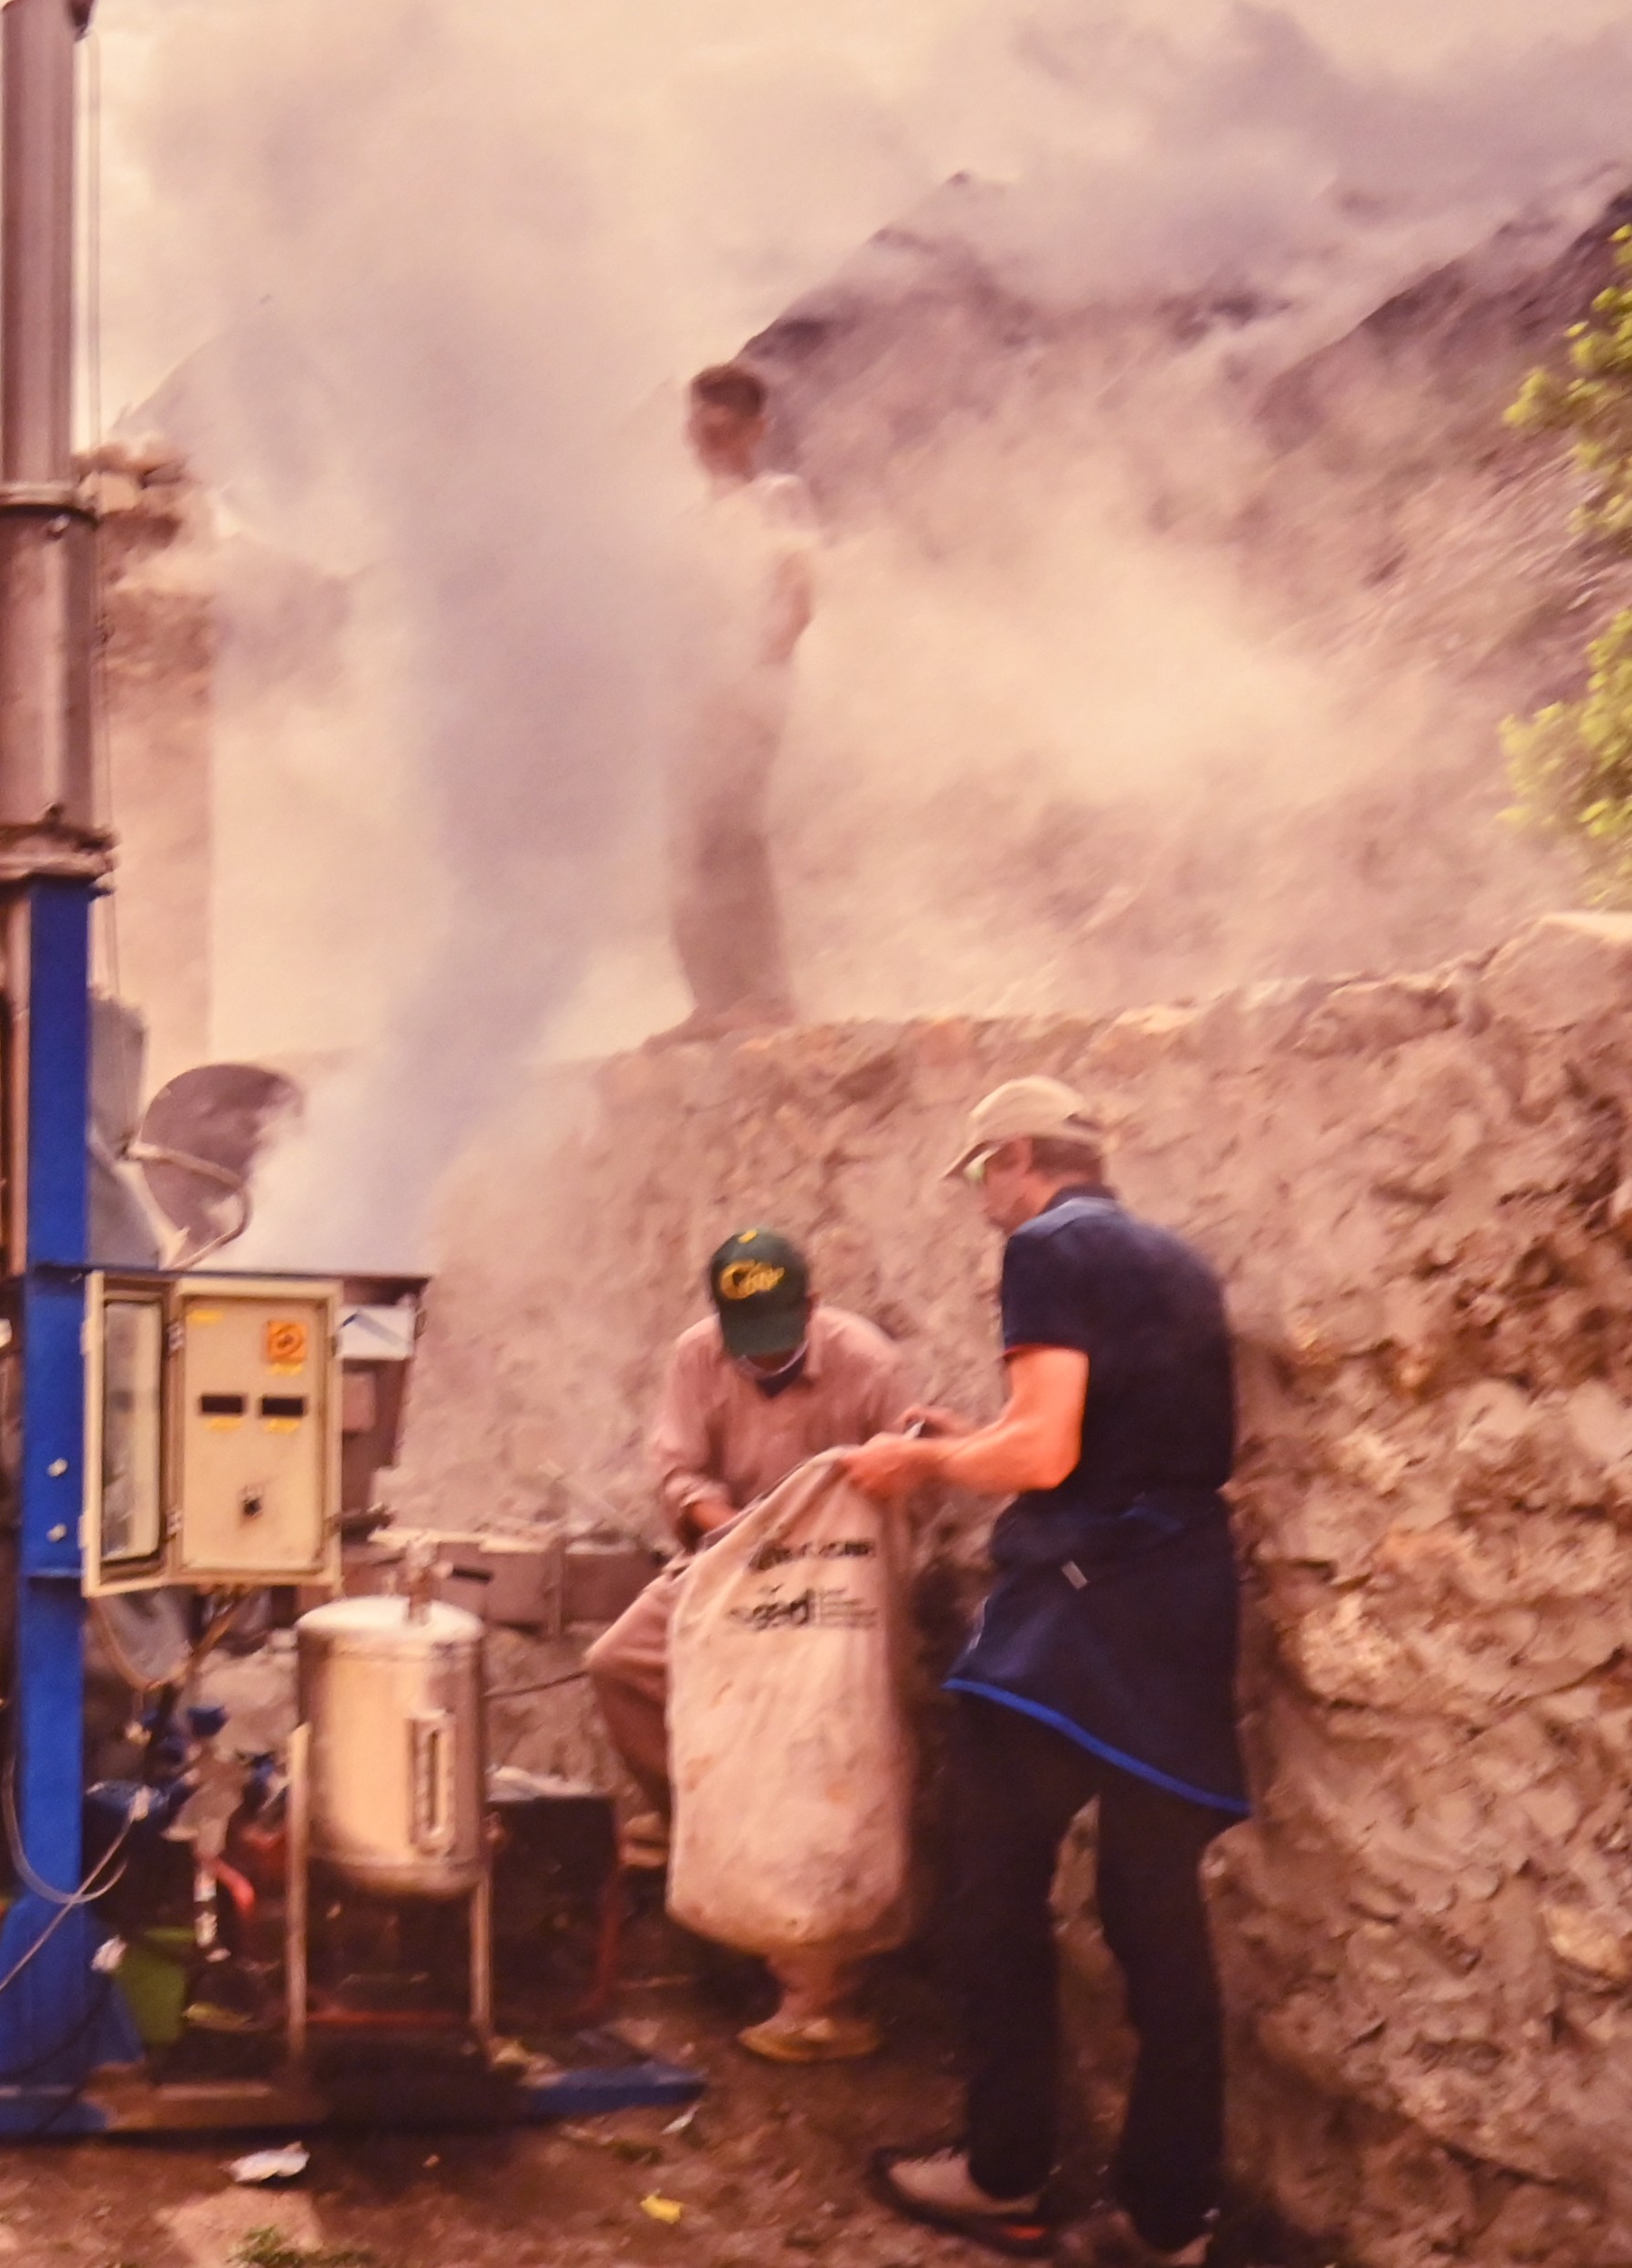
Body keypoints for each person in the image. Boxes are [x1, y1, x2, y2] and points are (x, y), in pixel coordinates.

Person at [840, 1078, 1245, 2267]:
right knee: (1152, 1913)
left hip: (1078, 1613)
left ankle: (1002, 2167)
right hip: (1184, 1598)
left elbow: (1045, 1449)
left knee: (989, 1886)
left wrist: (916, 1466)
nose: (981, 1199)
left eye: (981, 1173)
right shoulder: (1174, 1257)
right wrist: (967, 1435)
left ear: (1017, 1155)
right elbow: (1114, 1438)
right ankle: (1168, 2218)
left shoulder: (1046, 1244)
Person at [583, 1224, 913, 2062]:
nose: (759, 1356)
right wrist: (731, 1527)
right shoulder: (698, 1356)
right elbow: (678, 1471)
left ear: (812, 1305)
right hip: (727, 1559)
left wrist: (828, 1538)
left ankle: (821, 1994)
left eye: (775, 1334)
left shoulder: (869, 1365)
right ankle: (693, 1819)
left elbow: (911, 1493)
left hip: (837, 1583)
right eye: (745, 1338)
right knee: (620, 1662)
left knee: (819, 1746)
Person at [661, 361, 816, 1041]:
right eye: (700, 431)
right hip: (695, 701)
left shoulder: (778, 497)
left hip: (749, 696)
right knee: (687, 845)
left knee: (734, 839)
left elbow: (797, 595)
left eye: (724, 432)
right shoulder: (691, 520)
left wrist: (751, 679)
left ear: (757, 430)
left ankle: (768, 997)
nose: (709, 446)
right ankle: (713, 1001)